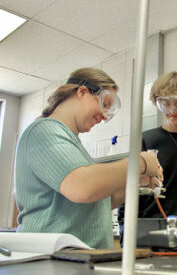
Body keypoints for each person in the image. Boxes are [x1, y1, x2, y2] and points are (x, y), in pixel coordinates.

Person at [14, 67, 163, 249]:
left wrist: (135, 182)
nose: (104, 115)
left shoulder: (73, 144)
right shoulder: (44, 131)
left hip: (79, 259)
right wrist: (141, 162)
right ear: (82, 91)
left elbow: (98, 202)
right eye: (105, 104)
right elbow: (82, 188)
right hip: (52, 259)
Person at [118, 71, 177, 244]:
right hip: (152, 234)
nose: (173, 110)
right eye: (166, 103)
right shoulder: (144, 140)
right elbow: (128, 191)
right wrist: (125, 233)